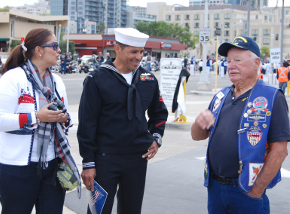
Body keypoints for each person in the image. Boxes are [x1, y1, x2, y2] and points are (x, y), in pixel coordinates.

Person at [191, 36, 290, 214]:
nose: (230, 65)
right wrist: (199, 123)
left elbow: (280, 150)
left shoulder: (272, 97)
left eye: (238, 60)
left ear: (256, 63)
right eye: (228, 61)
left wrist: (257, 190)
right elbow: (197, 136)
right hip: (215, 188)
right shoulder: (221, 96)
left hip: (247, 190)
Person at [77, 28, 168, 214]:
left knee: (131, 210)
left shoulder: (148, 79)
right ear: (117, 49)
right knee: (98, 212)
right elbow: (87, 123)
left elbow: (159, 113)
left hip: (137, 159)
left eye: (141, 52)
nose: (139, 57)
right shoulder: (96, 79)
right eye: (133, 52)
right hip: (104, 159)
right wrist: (88, 163)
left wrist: (156, 138)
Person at [0, 28, 81, 213]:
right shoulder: (13, 78)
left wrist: (64, 118)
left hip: (53, 164)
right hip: (17, 169)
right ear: (39, 50)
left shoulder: (57, 81)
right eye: (54, 46)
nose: (59, 51)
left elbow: (66, 121)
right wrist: (36, 117)